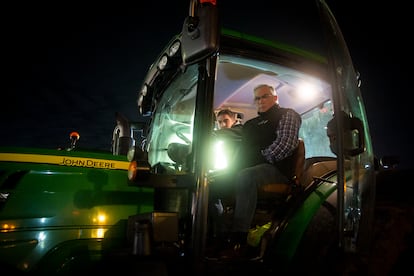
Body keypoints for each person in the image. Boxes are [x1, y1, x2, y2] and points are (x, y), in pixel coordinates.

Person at [225, 84, 302, 254]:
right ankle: (217, 233)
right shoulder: (250, 124)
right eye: (257, 98)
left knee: (246, 176)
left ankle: (239, 238)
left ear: (275, 98)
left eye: (264, 96)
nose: (260, 101)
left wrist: (258, 157)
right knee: (214, 182)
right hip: (252, 167)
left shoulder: (288, 115)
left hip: (276, 169)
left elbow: (285, 144)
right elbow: (242, 147)